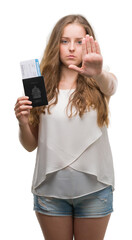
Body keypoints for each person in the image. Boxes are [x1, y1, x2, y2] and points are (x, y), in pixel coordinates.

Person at [14, 14, 118, 240]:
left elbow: (111, 86)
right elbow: (31, 145)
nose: (71, 48)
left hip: (95, 191)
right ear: (56, 44)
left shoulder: (98, 78)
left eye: (79, 41)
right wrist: (23, 122)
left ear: (88, 43)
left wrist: (98, 72)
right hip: (50, 193)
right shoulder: (41, 84)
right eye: (64, 41)